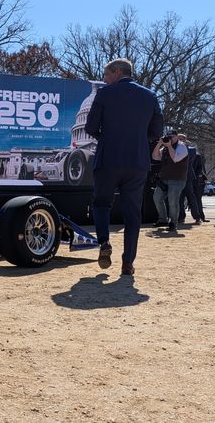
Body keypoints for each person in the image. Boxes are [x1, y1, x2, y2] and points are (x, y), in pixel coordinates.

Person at [84, 58, 163, 276]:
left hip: (108, 159)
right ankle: (128, 262)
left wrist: (106, 138)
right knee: (132, 213)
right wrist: (137, 138)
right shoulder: (150, 96)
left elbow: (90, 127)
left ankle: (104, 242)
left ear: (117, 71)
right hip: (137, 161)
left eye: (106, 75)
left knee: (101, 204)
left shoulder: (105, 94)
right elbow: (156, 132)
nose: (105, 79)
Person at [151, 129, 188, 232]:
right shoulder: (165, 148)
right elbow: (154, 157)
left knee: (172, 201)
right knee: (157, 198)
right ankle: (163, 219)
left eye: (172, 137)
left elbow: (175, 158)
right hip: (164, 178)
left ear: (176, 137)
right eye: (168, 137)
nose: (170, 139)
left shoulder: (181, 146)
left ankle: (173, 223)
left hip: (177, 179)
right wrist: (159, 144)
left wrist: (169, 146)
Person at [177, 134, 206, 224]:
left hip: (189, 178)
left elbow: (194, 163)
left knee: (191, 197)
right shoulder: (174, 150)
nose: (180, 141)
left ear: (185, 140)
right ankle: (181, 217)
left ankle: (197, 217)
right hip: (178, 178)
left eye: (182, 139)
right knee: (179, 198)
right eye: (178, 139)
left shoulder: (191, 150)